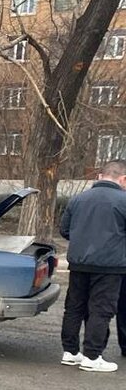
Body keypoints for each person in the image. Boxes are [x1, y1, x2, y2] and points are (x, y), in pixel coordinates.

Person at [59, 159, 126, 373]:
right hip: (110, 265)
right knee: (101, 309)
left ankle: (70, 352)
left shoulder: (78, 199)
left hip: (79, 262)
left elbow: (65, 230)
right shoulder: (123, 200)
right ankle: (92, 355)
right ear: (123, 178)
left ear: (100, 176)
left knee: (74, 307)